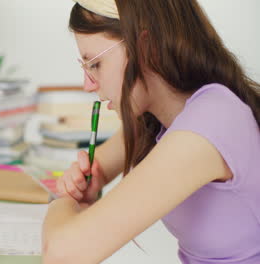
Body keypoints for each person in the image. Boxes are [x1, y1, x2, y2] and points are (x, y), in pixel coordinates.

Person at [41, 0, 260, 263]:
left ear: (145, 47)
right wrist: (87, 180)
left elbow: (63, 254)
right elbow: (96, 165)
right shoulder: (160, 119)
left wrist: (62, 203)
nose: (88, 84)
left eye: (95, 64)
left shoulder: (210, 122)